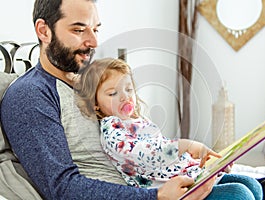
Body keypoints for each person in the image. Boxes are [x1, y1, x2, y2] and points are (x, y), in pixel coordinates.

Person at [0, 0, 216, 199]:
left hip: (148, 182)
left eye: (95, 29)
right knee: (238, 193)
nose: (93, 41)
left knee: (244, 183)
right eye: (79, 29)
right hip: (145, 194)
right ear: (43, 31)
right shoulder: (30, 94)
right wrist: (156, 196)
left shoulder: (92, 84)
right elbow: (62, 188)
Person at [74, 57, 263, 200]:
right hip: (174, 192)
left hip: (189, 175)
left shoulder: (137, 121)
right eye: (113, 93)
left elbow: (164, 150)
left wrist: (206, 166)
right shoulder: (112, 132)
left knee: (252, 185)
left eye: (129, 89)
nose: (125, 97)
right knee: (241, 194)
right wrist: (186, 146)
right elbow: (148, 155)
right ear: (95, 103)